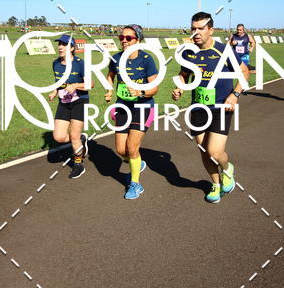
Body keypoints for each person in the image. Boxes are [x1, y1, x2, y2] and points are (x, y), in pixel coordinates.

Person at [172, 12, 240, 203]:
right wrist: (180, 88)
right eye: (193, 28)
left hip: (221, 108)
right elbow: (184, 75)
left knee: (215, 152)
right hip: (198, 108)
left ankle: (227, 169)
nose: (196, 32)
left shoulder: (223, 51)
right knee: (204, 151)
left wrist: (234, 95)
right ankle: (216, 184)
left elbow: (244, 72)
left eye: (201, 28)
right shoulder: (188, 53)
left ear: (211, 30)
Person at [105, 24, 158, 200]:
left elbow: (155, 88)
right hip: (122, 107)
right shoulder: (116, 58)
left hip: (143, 107)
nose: (124, 41)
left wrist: (140, 91)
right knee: (121, 150)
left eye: (129, 38)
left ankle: (135, 184)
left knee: (132, 147)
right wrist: (109, 90)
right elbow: (110, 75)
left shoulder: (147, 59)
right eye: (122, 37)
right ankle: (137, 161)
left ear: (138, 40)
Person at [48, 35, 92, 179]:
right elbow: (58, 83)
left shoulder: (80, 64)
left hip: (79, 101)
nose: (60, 47)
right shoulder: (56, 63)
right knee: (59, 137)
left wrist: (76, 85)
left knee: (74, 136)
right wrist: (54, 92)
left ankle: (78, 164)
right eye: (59, 44)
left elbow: (90, 84)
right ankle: (81, 140)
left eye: (64, 44)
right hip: (64, 102)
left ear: (72, 48)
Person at [228, 23, 254, 91]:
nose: (239, 31)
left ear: (243, 30)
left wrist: (252, 47)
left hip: (244, 55)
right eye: (237, 30)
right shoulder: (233, 36)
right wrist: (231, 43)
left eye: (240, 30)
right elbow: (227, 44)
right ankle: (245, 82)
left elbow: (253, 42)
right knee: (236, 71)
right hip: (235, 56)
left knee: (242, 70)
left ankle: (242, 86)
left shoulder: (248, 36)